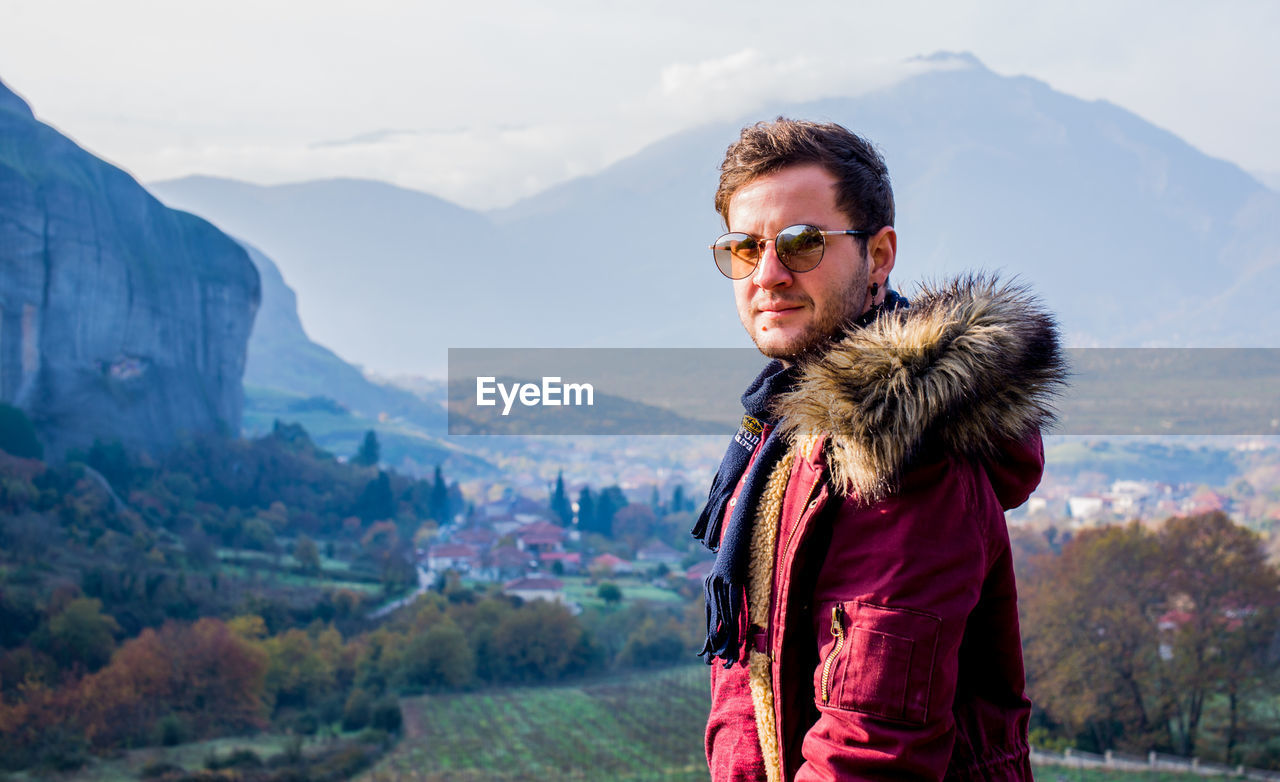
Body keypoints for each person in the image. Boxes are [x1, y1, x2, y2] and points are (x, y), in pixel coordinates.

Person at [692, 118, 1065, 781]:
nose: (768, 274)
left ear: (880, 254)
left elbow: (871, 748)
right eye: (744, 248)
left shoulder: (903, 449)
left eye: (803, 243)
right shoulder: (787, 429)